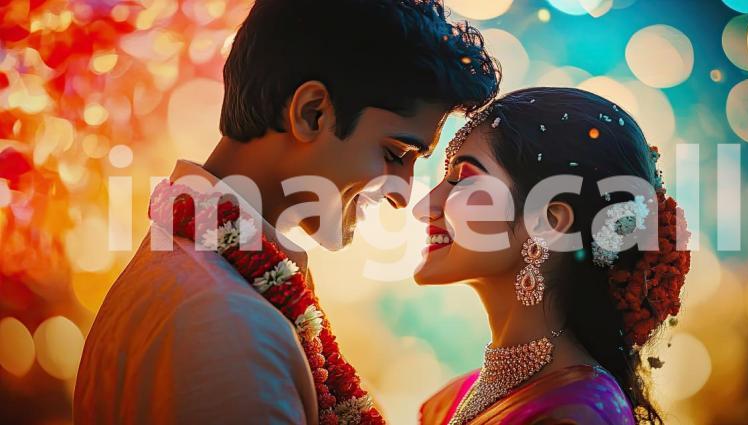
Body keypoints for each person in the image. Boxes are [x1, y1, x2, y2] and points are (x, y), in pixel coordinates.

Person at [74, 1, 499, 424]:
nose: (403, 196)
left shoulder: (191, 266)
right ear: (311, 113)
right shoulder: (230, 323)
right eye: (393, 153)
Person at [414, 87, 691, 425]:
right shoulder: (451, 400)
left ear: (550, 222)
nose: (424, 207)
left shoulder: (578, 412)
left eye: (463, 181)